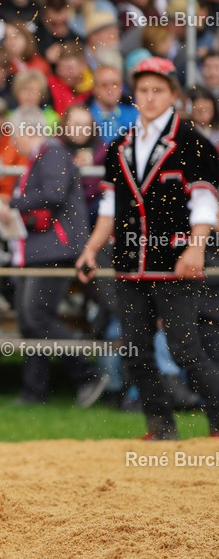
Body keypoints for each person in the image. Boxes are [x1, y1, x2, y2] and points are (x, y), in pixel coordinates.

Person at [76, 57, 219, 440]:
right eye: (143, 90)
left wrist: (197, 248)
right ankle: (161, 428)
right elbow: (109, 207)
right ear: (134, 95)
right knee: (135, 351)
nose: (150, 97)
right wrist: (91, 249)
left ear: (173, 94)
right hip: (129, 262)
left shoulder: (192, 142)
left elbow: (205, 202)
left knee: (186, 348)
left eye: (158, 90)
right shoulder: (119, 145)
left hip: (175, 261)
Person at [1, 113, 108, 407]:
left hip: (54, 250)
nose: (11, 141)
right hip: (40, 249)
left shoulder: (53, 154)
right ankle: (35, 391)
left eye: (13, 134)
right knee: (29, 320)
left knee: (37, 317)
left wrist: (12, 204)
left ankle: (87, 372)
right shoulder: (44, 157)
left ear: (27, 130)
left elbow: (54, 195)